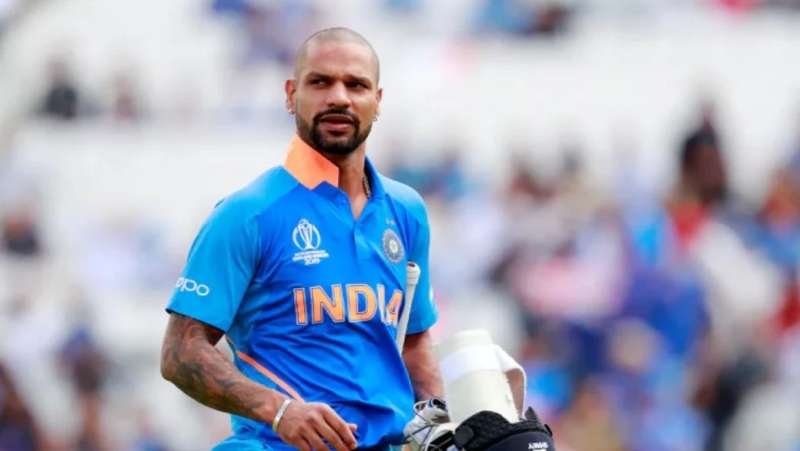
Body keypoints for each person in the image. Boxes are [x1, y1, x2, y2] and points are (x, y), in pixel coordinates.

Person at [160, 27, 443, 451]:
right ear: (291, 95)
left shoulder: (406, 210)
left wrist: (443, 423)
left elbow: (415, 341)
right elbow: (180, 353)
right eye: (320, 82)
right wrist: (280, 411)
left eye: (356, 85)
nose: (339, 97)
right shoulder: (247, 214)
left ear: (378, 101)